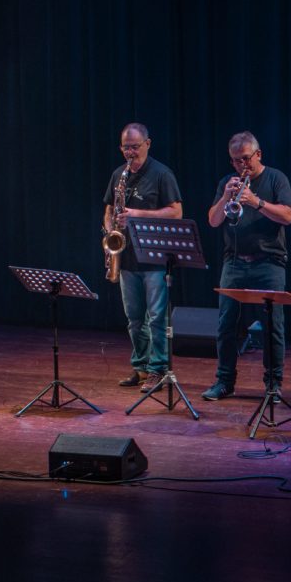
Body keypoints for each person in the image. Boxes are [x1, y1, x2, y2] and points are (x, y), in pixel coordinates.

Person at [202, 132, 291, 401]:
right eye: (235, 160)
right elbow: (213, 221)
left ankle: (273, 383)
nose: (242, 165)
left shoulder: (276, 179)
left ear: (258, 155)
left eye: (246, 159)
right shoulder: (226, 183)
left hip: (270, 262)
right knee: (226, 325)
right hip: (234, 263)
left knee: (272, 326)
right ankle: (224, 381)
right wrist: (225, 198)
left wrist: (257, 202)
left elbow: (288, 216)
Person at [101, 123, 183, 392]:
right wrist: (110, 226)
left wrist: (138, 214)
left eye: (135, 147)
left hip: (154, 257)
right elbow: (109, 208)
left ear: (148, 143)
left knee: (157, 317)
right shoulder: (118, 174)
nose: (130, 152)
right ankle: (140, 366)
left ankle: (158, 369)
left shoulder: (162, 174)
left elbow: (176, 212)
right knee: (134, 318)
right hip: (126, 256)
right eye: (126, 147)